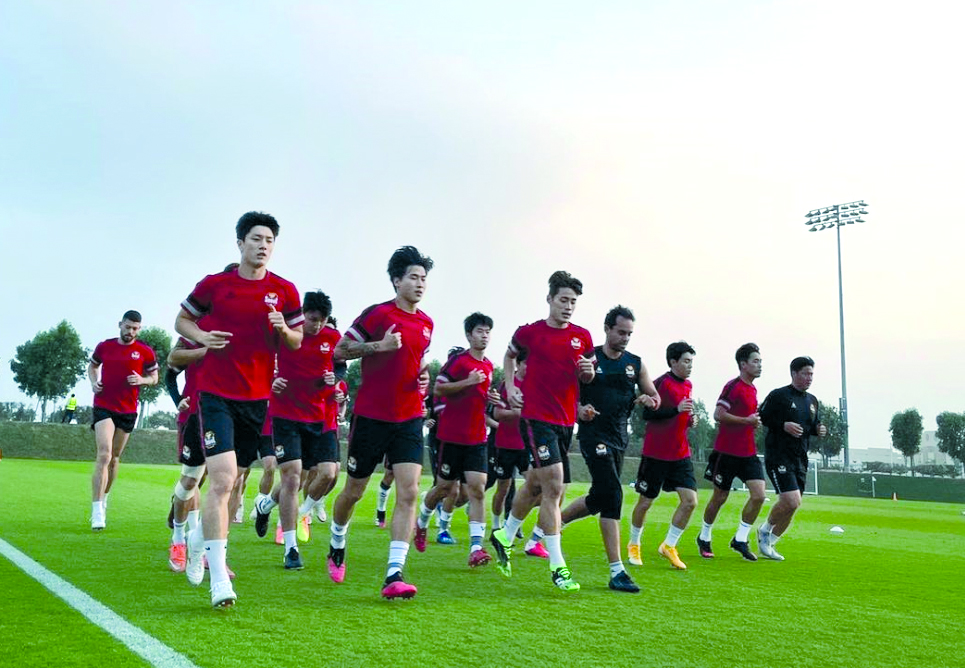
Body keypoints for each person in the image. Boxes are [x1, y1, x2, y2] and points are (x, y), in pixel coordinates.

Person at [175, 211, 303, 607]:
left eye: (269, 240)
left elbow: (296, 341)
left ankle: (198, 542)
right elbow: (182, 320)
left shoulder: (284, 291)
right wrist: (202, 336)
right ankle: (219, 583)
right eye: (256, 238)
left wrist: (283, 329)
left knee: (232, 482)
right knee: (221, 480)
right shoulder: (216, 285)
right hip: (214, 394)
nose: (263, 245)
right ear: (240, 243)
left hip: (256, 400)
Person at [327, 246, 434, 599]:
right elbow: (340, 351)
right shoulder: (377, 315)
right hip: (371, 417)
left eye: (424, 278)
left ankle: (394, 573)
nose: (420, 284)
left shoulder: (427, 323)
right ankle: (337, 540)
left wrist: (423, 378)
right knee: (354, 491)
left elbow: (417, 363)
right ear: (396, 280)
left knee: (409, 491)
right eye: (414, 277)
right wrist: (380, 346)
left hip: (409, 417)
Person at [489, 270, 595, 592]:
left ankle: (505, 535)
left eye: (573, 302)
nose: (568, 306)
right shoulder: (529, 333)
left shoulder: (583, 337)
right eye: (563, 300)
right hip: (536, 418)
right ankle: (558, 566)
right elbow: (508, 357)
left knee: (535, 485)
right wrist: (510, 386)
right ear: (549, 299)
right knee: (554, 488)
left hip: (566, 422)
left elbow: (586, 379)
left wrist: (588, 373)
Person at [560, 306, 660, 592]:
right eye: (620, 332)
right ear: (607, 328)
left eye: (629, 333)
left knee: (600, 496)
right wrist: (579, 410)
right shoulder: (589, 358)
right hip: (594, 436)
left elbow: (654, 395)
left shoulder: (635, 364)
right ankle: (617, 571)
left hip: (619, 438)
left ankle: (551, 525)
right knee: (613, 494)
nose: (625, 338)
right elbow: (567, 394)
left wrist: (649, 400)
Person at [251, 291, 338, 570]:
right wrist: (269, 382)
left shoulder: (332, 338)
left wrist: (335, 378)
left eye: (323, 320)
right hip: (286, 415)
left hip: (319, 417)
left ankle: (268, 507)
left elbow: (342, 368)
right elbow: (258, 362)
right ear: (304, 315)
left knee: (327, 474)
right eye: (313, 319)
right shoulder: (285, 335)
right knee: (291, 478)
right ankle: (291, 549)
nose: (318, 325)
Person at [415, 313, 497, 568]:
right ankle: (422, 522)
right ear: (469, 335)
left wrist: (489, 398)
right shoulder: (458, 363)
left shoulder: (489, 366)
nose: (484, 335)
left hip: (476, 438)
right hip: (450, 437)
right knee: (444, 489)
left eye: (487, 331)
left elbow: (476, 399)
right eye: (480, 331)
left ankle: (476, 548)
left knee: (477, 488)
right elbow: (438, 389)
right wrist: (468, 381)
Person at [627, 341, 698, 571]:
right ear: (673, 362)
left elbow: (680, 418)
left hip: (680, 454)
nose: (689, 366)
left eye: (691, 362)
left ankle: (669, 545)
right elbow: (647, 414)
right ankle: (634, 543)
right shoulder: (660, 384)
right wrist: (675, 410)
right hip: (656, 454)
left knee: (690, 501)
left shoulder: (688, 385)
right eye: (686, 361)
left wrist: (690, 420)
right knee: (645, 502)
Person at [88, 310, 159, 531]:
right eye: (127, 327)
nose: (130, 332)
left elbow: (154, 378)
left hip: (128, 409)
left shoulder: (145, 352)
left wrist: (142, 380)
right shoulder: (105, 346)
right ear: (120, 324)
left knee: (115, 458)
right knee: (104, 453)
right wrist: (94, 382)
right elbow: (92, 366)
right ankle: (96, 510)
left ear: (140, 329)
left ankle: (105, 497)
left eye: (135, 328)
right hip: (104, 406)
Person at [698, 343, 765, 561]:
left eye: (760, 361)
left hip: (748, 453)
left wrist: (753, 422)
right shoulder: (733, 386)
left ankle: (740, 539)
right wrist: (746, 420)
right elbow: (718, 414)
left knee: (759, 495)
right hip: (726, 452)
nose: (760, 365)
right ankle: (704, 537)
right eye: (755, 361)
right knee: (720, 497)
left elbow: (747, 418)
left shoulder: (753, 389)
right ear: (743, 364)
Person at [756, 356, 827, 560]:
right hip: (779, 456)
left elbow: (813, 425)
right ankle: (764, 530)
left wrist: (819, 429)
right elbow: (762, 416)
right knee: (791, 500)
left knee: (794, 505)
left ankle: (770, 543)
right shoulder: (779, 395)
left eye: (811, 374)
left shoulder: (812, 400)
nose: (809, 378)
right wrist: (783, 425)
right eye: (805, 373)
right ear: (794, 373)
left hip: (800, 458)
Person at [164, 336, 209, 574]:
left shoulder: (238, 329)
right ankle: (179, 538)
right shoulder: (193, 334)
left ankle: (204, 547)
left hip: (225, 416)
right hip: (193, 414)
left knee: (217, 480)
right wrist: (178, 400)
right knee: (193, 479)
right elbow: (170, 372)